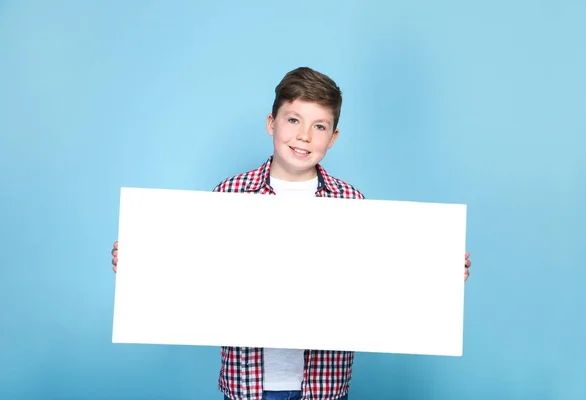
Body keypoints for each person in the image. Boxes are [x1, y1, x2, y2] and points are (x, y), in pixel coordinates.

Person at [110, 67, 473, 400]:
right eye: (294, 119)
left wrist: (436, 272)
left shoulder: (350, 201)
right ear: (272, 123)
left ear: (333, 137)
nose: (303, 135)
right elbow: (198, 270)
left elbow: (376, 280)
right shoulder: (230, 193)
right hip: (247, 384)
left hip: (323, 385)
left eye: (319, 126)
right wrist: (141, 260)